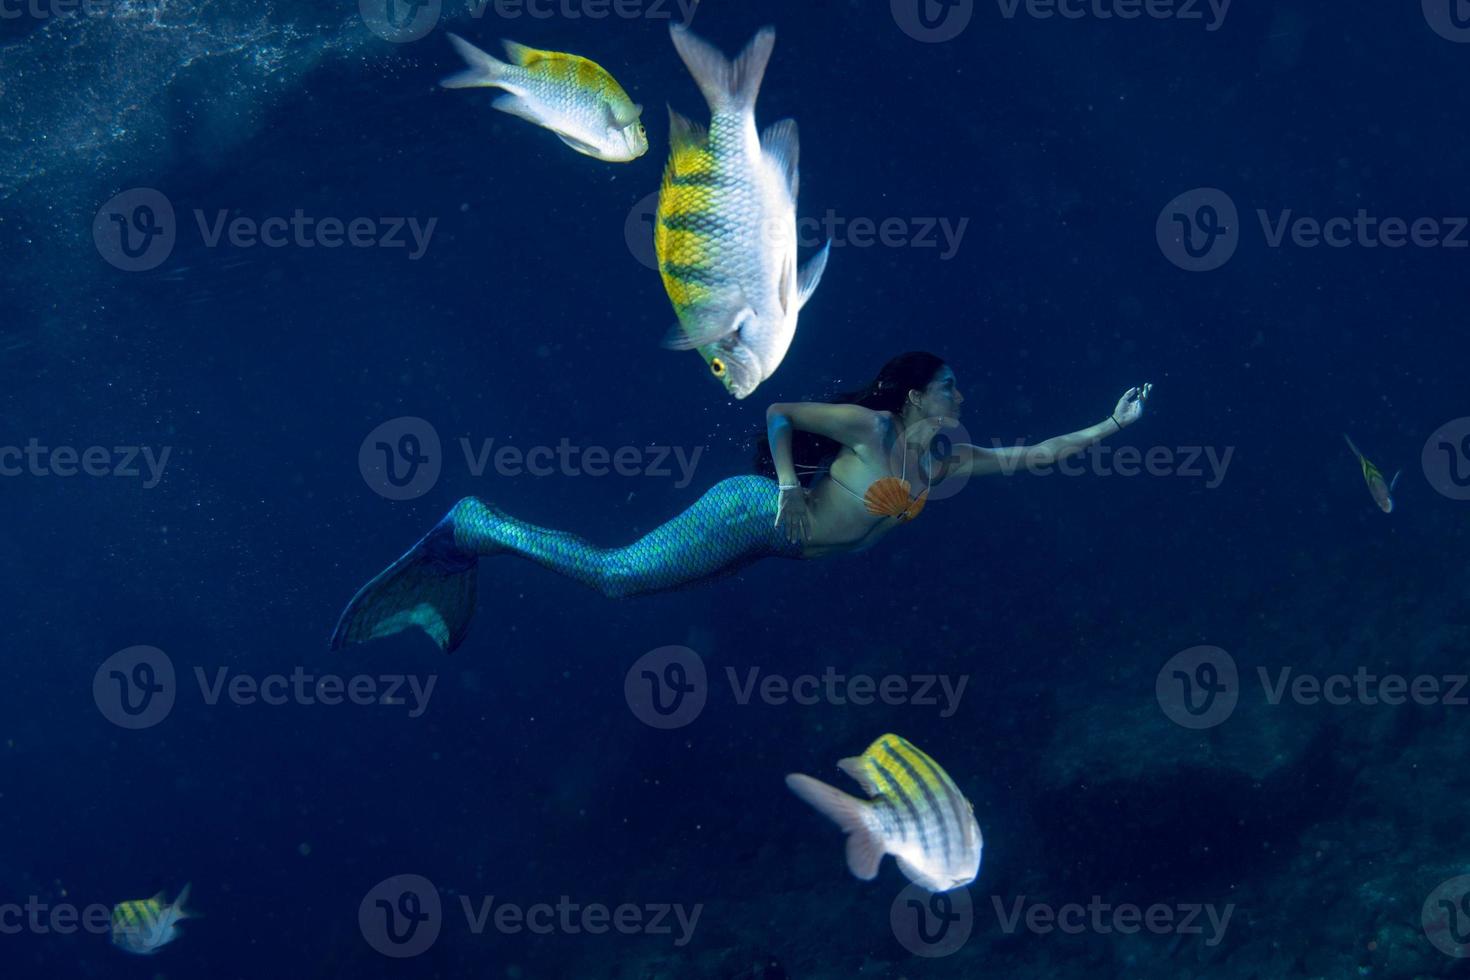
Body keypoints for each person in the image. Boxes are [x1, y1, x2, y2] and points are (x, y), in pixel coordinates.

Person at [330, 352, 1151, 652]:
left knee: (629, 582)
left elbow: (1036, 455)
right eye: (949, 386)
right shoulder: (869, 427)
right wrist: (791, 485)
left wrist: (1112, 424)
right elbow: (779, 412)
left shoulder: (943, 459)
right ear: (913, 395)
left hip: (771, 548)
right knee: (617, 578)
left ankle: (474, 539)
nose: (962, 393)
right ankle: (477, 524)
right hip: (750, 514)